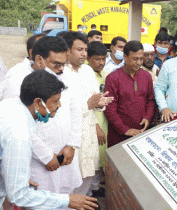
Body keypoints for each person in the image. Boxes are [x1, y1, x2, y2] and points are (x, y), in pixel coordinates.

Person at [0, 70, 97, 209]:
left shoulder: (10, 104)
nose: (60, 105)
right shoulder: (19, 135)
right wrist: (67, 200)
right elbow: (19, 195)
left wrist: (14, 174)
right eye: (56, 101)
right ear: (38, 103)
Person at [17, 37, 83, 203]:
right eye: (56, 64)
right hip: (39, 161)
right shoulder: (19, 80)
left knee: (67, 200)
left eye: (64, 63)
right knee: (43, 200)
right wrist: (46, 156)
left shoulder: (67, 76)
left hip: (66, 154)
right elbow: (19, 125)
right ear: (40, 59)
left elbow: (76, 111)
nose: (61, 69)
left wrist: (72, 144)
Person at [61, 31, 113, 196]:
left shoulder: (88, 71)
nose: (84, 53)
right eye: (79, 49)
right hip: (70, 134)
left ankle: (81, 202)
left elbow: (94, 99)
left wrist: (100, 103)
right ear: (67, 50)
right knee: (70, 176)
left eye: (85, 49)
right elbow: (59, 107)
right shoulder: (60, 73)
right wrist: (87, 105)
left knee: (88, 173)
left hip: (89, 130)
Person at [104, 41, 155, 147]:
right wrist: (125, 130)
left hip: (141, 132)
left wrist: (147, 117)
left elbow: (150, 100)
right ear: (125, 57)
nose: (139, 62)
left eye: (141, 58)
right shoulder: (113, 78)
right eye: (135, 59)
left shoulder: (146, 76)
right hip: (119, 135)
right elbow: (109, 108)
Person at [87, 41, 110, 197]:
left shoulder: (106, 74)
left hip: (104, 121)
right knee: (90, 159)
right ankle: (87, 193)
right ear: (88, 58)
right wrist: (96, 126)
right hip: (91, 123)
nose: (101, 62)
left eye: (103, 59)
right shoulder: (85, 76)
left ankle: (94, 188)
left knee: (100, 158)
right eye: (97, 59)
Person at [1, 33, 46, 100]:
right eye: (46, 51)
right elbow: (11, 106)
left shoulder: (50, 72)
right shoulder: (17, 77)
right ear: (31, 53)